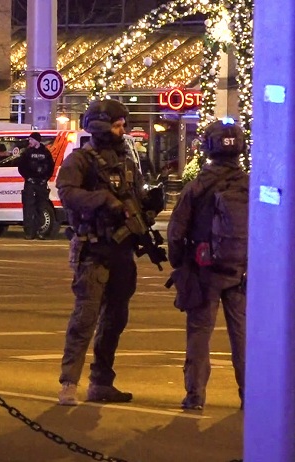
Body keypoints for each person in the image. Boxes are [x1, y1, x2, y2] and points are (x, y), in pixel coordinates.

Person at [55, 100, 162, 406]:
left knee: (116, 319)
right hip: (94, 250)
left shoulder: (126, 160)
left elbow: (134, 193)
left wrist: (149, 205)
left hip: (122, 252)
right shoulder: (80, 160)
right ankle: (69, 383)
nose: (123, 130)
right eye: (118, 125)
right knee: (85, 317)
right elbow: (67, 193)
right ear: (102, 126)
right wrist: (101, 200)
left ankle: (102, 381)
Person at [167, 120, 248, 411]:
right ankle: (248, 394)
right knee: (242, 336)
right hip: (241, 271)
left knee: (200, 334)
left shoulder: (197, 186)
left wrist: (179, 263)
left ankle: (196, 395)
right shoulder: (250, 184)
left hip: (204, 271)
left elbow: (176, 232)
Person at [17, 132, 55, 240]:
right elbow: (21, 167)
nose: (29, 142)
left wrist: (44, 179)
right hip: (30, 183)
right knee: (29, 209)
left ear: (37, 140)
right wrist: (28, 178)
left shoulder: (46, 153)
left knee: (40, 208)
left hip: (41, 184)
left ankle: (39, 231)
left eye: (31, 140)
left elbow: (50, 167)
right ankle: (29, 232)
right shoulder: (27, 152)